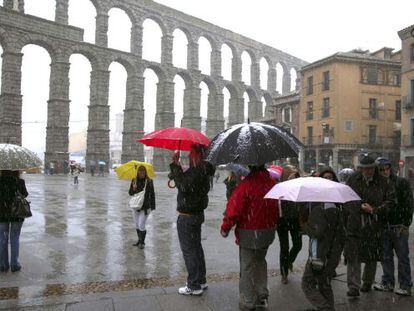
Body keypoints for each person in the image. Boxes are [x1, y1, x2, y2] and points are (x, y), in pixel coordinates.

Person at [221, 165, 279, 310]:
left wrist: (225, 228)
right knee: (260, 261)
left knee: (246, 266)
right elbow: (277, 208)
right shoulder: (272, 184)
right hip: (268, 231)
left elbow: (234, 210)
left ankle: (247, 300)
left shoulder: (246, 185)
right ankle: (262, 295)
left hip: (249, 232)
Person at [344, 154, 395, 297]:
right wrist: (356, 207)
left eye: (370, 169)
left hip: (374, 225)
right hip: (354, 222)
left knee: (371, 256)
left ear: (374, 168)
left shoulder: (383, 182)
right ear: (360, 169)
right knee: (353, 256)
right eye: (365, 169)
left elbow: (391, 202)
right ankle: (353, 286)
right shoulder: (353, 179)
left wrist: (374, 210)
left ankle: (367, 282)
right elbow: (346, 197)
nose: (368, 172)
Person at [169, 144, 215, 296]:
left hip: (187, 216)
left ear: (198, 155)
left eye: (191, 153)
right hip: (196, 214)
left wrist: (175, 165)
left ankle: (194, 285)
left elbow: (183, 185)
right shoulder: (202, 170)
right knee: (196, 249)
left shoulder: (197, 171)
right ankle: (200, 280)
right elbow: (186, 182)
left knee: (189, 251)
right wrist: (177, 169)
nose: (188, 155)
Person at [373, 158, 413, 296]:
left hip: (398, 226)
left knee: (402, 257)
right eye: (382, 169)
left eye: (387, 168)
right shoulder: (378, 185)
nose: (385, 171)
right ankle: (388, 282)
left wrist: (405, 223)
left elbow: (409, 204)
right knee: (386, 256)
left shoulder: (401, 182)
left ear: (391, 168)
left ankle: (405, 285)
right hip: (384, 225)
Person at [300, 200, 345, 311]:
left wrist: (304, 225)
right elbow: (341, 235)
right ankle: (330, 308)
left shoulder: (318, 210)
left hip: (318, 257)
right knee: (325, 284)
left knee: (307, 284)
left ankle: (325, 308)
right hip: (332, 257)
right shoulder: (336, 210)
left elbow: (316, 233)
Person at [277, 166, 304, 284]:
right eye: (290, 175)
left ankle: (289, 262)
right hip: (282, 220)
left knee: (298, 245)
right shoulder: (279, 188)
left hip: (295, 219)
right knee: (284, 247)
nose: (293, 178)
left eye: (294, 176)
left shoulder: (298, 188)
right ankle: (284, 273)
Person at [0, 170, 29, 273]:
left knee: (2, 238)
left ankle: (3, 264)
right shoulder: (20, 181)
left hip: (2, 213)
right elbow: (25, 194)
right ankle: (14, 264)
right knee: (15, 237)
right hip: (17, 213)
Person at [128, 166, 155, 249]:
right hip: (136, 206)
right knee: (136, 224)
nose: (141, 173)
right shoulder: (134, 180)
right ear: (137, 172)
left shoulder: (149, 181)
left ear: (145, 172)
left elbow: (152, 194)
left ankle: (142, 242)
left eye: (143, 171)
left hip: (145, 207)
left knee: (141, 224)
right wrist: (133, 188)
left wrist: (153, 206)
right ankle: (139, 240)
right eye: (140, 171)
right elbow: (130, 193)